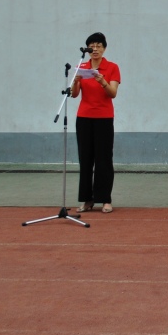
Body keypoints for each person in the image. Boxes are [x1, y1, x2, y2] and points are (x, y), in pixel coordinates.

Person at [71, 32, 121, 214]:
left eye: (99, 46)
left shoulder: (112, 67)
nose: (95, 49)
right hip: (84, 117)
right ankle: (87, 199)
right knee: (85, 159)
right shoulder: (82, 67)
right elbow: (74, 94)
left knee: (104, 159)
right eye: (92, 46)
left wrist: (102, 82)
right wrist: (76, 82)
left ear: (104, 48)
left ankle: (105, 199)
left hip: (104, 118)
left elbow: (112, 93)